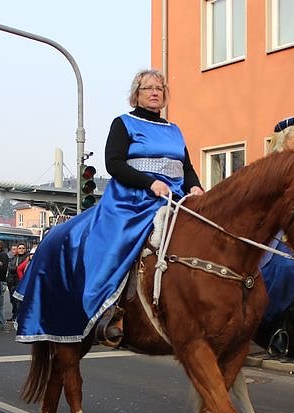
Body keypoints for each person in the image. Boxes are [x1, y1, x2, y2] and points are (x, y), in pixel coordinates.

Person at [14, 68, 204, 345]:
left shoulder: (174, 130)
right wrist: (149, 183)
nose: (154, 93)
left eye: (159, 89)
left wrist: (194, 186)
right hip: (134, 198)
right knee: (120, 244)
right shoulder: (124, 123)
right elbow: (113, 164)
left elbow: (185, 167)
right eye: (148, 88)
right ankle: (110, 308)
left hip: (174, 196)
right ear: (135, 95)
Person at [256, 116, 294, 360]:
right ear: (284, 138)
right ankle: (271, 328)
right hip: (273, 232)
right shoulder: (271, 167)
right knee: (285, 269)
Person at [6, 242, 28, 321]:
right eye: (20, 248)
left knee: (20, 301)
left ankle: (19, 316)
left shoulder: (27, 258)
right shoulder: (14, 257)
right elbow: (11, 268)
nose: (21, 250)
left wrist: (15, 268)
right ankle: (15, 315)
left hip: (20, 282)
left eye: (23, 248)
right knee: (13, 300)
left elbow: (18, 269)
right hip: (12, 282)